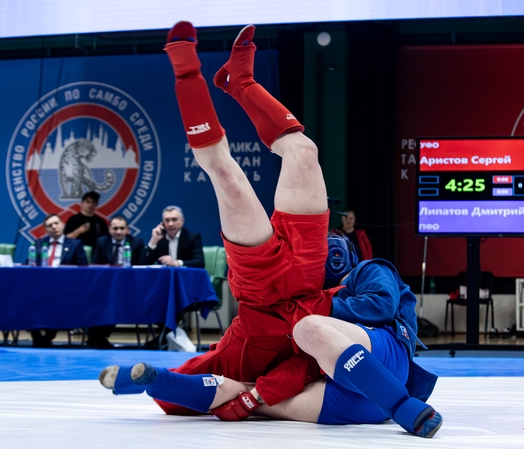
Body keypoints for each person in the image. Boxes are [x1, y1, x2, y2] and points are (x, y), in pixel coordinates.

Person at [98, 22, 442, 438]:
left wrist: (245, 394)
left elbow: (244, 384)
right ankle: (221, 78)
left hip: (275, 294)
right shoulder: (351, 284)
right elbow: (369, 309)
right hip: (303, 280)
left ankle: (212, 77)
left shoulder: (331, 307)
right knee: (300, 152)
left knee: (233, 175)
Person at [101, 236, 442, 438]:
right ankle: (156, 381)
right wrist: (257, 394)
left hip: (383, 359)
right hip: (358, 402)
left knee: (308, 327)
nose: (329, 258)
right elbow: (298, 367)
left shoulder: (367, 270)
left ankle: (403, 406)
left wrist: (308, 307)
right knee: (244, 394)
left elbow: (380, 306)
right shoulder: (299, 296)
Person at [29, 213, 89, 347]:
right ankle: (36, 335)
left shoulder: (75, 244)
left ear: (62, 225)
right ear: (46, 229)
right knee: (23, 296)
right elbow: (30, 264)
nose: (54, 227)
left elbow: (83, 267)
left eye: (56, 223)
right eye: (50, 225)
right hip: (41, 287)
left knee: (57, 298)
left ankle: (48, 337)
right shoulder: (39, 244)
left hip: (66, 287)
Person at [87, 215, 146, 349]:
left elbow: (142, 266)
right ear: (109, 229)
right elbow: (95, 265)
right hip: (106, 286)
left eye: (121, 228)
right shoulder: (102, 241)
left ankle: (97, 338)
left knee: (116, 301)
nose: (118, 232)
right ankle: (97, 338)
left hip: (130, 287)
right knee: (95, 299)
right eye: (115, 228)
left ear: (127, 230)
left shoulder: (136, 242)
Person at [64, 191, 109, 256]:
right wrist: (79, 230)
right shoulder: (73, 220)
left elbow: (106, 240)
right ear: (82, 203)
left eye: (93, 202)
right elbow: (67, 238)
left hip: (96, 254)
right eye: (88, 202)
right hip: (76, 253)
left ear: (96, 204)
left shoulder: (101, 222)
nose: (90, 205)